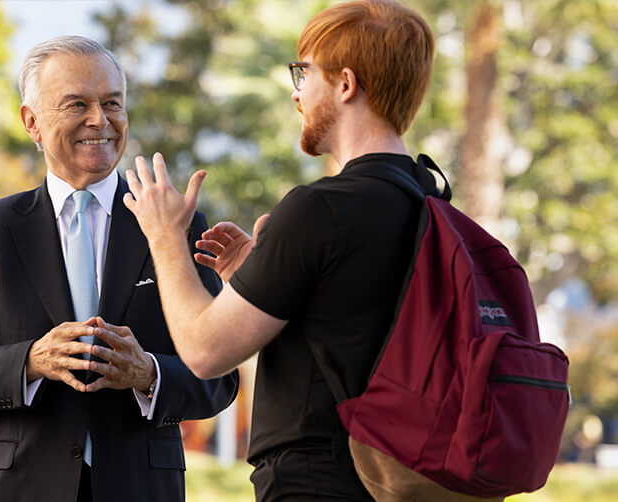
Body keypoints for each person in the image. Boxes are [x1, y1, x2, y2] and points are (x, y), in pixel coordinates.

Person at [122, 1, 436, 500]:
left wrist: (163, 236)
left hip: (317, 485)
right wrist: (258, 281)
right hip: (404, 483)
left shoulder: (319, 209)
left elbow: (205, 353)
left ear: (345, 84)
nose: (296, 92)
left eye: (304, 72)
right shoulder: (432, 204)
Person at [0, 36, 238, 502]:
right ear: (31, 122)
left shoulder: (176, 223)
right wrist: (31, 361)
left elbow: (219, 378)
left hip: (140, 487)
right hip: (18, 488)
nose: (100, 119)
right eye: (76, 104)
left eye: (112, 103)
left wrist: (148, 374)